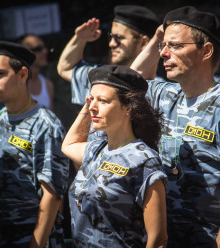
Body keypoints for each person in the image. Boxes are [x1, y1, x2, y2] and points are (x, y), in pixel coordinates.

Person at [130, 6, 220, 247]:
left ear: (206, 51)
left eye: (176, 46)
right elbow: (128, 81)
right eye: (163, 47)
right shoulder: (164, 94)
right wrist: (160, 37)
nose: (164, 54)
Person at [61, 65, 168, 247]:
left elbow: (158, 239)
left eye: (103, 101)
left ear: (128, 107)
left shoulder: (144, 160)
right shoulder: (96, 149)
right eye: (90, 100)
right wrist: (89, 106)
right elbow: (68, 144)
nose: (92, 107)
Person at [0, 41, 69, 247]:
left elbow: (52, 195)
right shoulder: (2, 117)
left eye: (1, 74)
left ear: (22, 74)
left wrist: (36, 245)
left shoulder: (46, 125)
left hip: (30, 238)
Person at [57, 4, 162, 106]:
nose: (111, 44)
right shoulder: (101, 76)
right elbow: (65, 68)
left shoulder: (158, 91)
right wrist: (80, 39)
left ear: (143, 43)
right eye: (111, 37)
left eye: (119, 38)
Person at [18, 34, 55, 110]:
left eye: (44, 47)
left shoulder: (48, 85)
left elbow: (51, 119)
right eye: (38, 49)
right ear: (25, 53)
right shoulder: (14, 85)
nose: (45, 51)